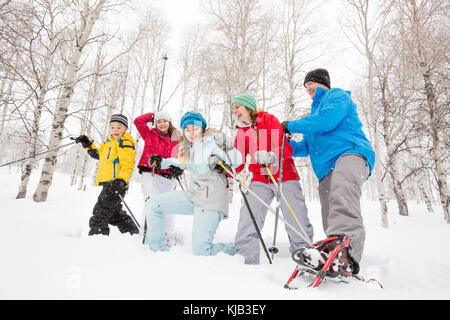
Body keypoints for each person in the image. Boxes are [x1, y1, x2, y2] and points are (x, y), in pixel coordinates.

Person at [281, 68, 375, 276]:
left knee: (342, 195)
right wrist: (284, 143)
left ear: (321, 82)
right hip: (326, 170)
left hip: (350, 153)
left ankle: (347, 255)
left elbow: (327, 121)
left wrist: (291, 124)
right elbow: (304, 147)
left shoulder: (336, 96)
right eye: (305, 86)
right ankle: (333, 253)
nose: (307, 88)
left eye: (310, 84)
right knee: (330, 211)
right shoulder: (314, 117)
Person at [144, 111, 242, 256]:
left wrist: (228, 147)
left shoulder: (213, 142)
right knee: (153, 204)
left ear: (202, 128)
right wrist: (162, 161)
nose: (191, 133)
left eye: (195, 128)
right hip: (194, 195)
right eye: (187, 129)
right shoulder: (191, 148)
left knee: (201, 250)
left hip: (210, 200)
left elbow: (237, 160)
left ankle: (241, 249)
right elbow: (182, 163)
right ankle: (158, 251)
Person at [231, 93, 314, 265]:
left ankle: (305, 258)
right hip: (259, 179)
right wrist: (226, 163)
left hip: (284, 175)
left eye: (237, 107)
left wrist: (271, 156)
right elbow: (238, 160)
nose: (234, 111)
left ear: (248, 107)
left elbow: (284, 147)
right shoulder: (241, 132)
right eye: (233, 108)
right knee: (249, 216)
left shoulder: (267, 119)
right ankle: (246, 260)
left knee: (296, 218)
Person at [74, 114, 139, 236]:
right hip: (109, 184)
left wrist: (121, 180)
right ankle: (133, 232)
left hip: (116, 184)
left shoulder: (125, 142)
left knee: (100, 212)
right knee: (114, 215)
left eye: (119, 127)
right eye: (112, 127)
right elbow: (98, 154)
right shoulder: (110, 141)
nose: (115, 130)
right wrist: (86, 143)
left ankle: (97, 238)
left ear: (125, 129)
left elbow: (127, 164)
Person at [134, 111, 181, 246]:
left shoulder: (176, 138)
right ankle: (145, 233)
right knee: (152, 203)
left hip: (167, 176)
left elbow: (182, 156)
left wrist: (179, 169)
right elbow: (138, 121)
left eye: (164, 121)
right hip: (150, 173)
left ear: (170, 123)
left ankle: (169, 235)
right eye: (159, 121)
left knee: (168, 206)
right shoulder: (149, 134)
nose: (161, 124)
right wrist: (151, 116)